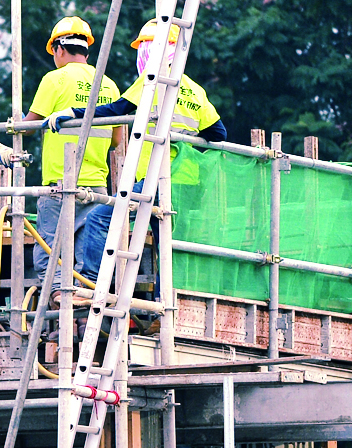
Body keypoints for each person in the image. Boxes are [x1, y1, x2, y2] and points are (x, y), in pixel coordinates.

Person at [43, 18, 229, 277]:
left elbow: (116, 110)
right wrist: (183, 138)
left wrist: (73, 112)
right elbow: (219, 134)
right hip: (188, 183)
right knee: (168, 245)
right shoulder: (194, 89)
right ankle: (165, 299)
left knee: (99, 218)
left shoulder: (153, 78)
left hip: (156, 179)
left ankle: (90, 284)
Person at [22, 15, 114, 277]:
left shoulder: (55, 79)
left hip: (59, 185)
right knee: (89, 262)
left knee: (50, 261)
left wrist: (13, 123)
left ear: (59, 49)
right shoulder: (108, 84)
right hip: (96, 186)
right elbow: (117, 140)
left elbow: (28, 127)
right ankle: (85, 317)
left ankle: (60, 305)